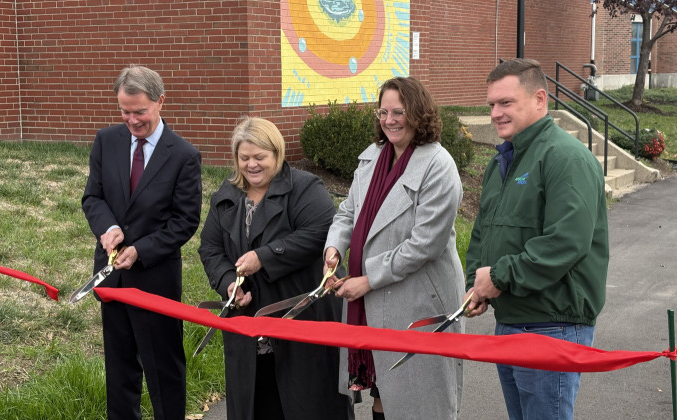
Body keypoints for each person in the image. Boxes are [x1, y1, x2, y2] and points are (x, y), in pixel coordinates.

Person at [464, 58, 609, 420]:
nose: (496, 113)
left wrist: (497, 278)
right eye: (492, 105)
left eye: (506, 103)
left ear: (540, 100)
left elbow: (566, 242)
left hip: (553, 325)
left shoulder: (565, 157)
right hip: (511, 320)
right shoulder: (502, 162)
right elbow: (483, 232)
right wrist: (475, 284)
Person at [324, 76, 465, 419]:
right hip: (372, 303)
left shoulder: (438, 165)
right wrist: (334, 250)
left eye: (398, 111)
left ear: (418, 113)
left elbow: (424, 245)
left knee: (419, 401)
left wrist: (367, 279)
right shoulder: (372, 157)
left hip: (418, 300)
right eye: (383, 112)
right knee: (383, 394)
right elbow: (347, 212)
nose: (389, 120)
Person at [198, 116, 352, 420]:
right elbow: (210, 248)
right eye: (244, 158)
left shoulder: (306, 187)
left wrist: (264, 257)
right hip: (248, 333)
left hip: (303, 324)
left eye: (260, 157)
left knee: (311, 407)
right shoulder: (225, 196)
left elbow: (318, 233)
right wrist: (229, 282)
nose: (251, 165)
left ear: (277, 154)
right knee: (258, 406)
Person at [81, 65, 202, 419]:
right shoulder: (106, 140)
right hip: (112, 276)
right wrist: (108, 228)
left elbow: (185, 221)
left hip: (156, 279)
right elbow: (93, 198)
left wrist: (141, 249)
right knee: (119, 369)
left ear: (160, 102)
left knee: (163, 368)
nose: (132, 120)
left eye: (140, 111)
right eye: (124, 111)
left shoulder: (183, 155)